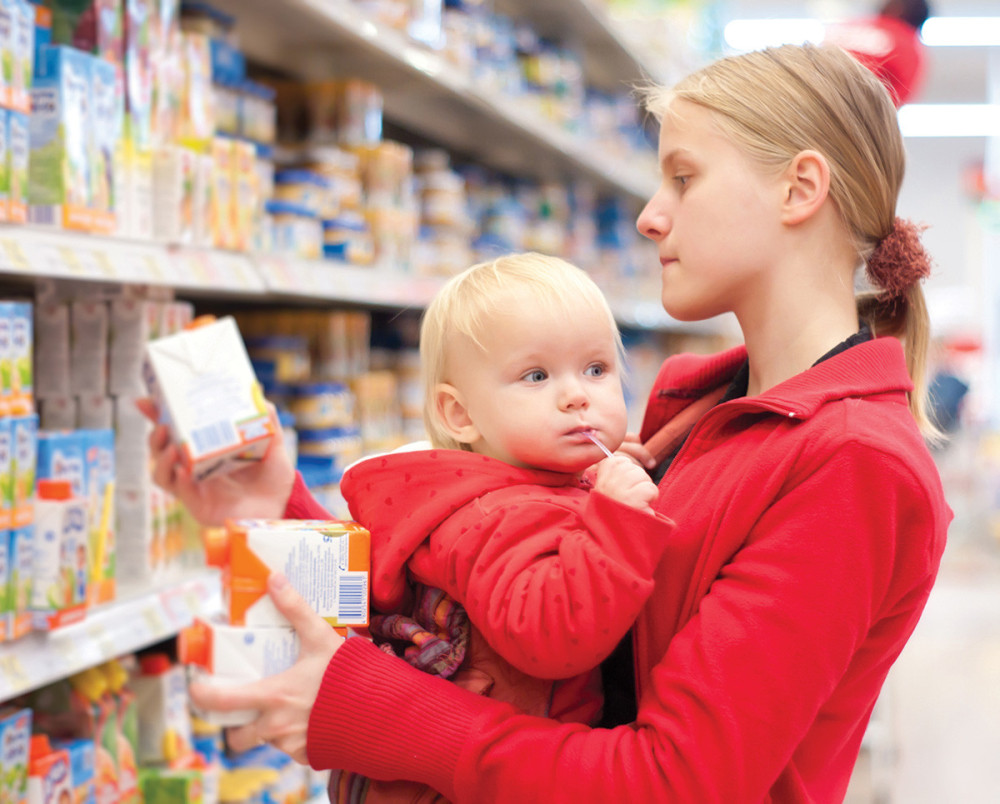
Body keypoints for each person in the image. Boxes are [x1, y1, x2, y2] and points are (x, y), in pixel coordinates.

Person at [149, 42, 950, 802]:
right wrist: (271, 509)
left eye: (683, 177)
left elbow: (673, 782)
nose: (649, 216)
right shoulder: (697, 412)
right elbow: (479, 598)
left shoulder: (852, 463)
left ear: (799, 188)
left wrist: (375, 710)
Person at [329, 253, 672, 801]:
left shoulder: (518, 488)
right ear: (460, 415)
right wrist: (614, 521)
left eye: (597, 369)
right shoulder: (493, 514)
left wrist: (584, 477)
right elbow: (553, 635)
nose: (577, 394)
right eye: (536, 376)